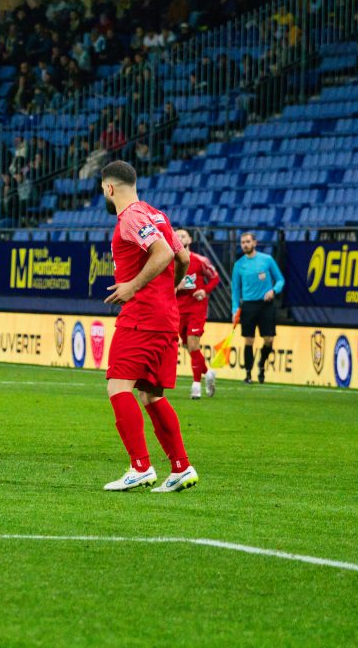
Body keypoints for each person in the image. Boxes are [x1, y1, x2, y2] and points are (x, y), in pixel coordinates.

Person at [99, 160, 198, 492]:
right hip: (166, 316)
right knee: (151, 393)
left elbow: (163, 254)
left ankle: (140, 466)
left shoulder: (130, 219)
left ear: (109, 188)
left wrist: (135, 286)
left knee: (118, 386)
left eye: (103, 189)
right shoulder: (159, 215)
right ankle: (181, 467)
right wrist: (167, 293)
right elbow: (182, 258)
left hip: (142, 316)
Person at [231, 231, 284, 384]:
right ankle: (248, 374)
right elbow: (235, 290)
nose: (245, 245)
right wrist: (235, 310)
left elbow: (280, 280)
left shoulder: (267, 260)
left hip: (265, 305)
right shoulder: (239, 265)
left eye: (248, 241)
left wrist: (274, 291)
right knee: (249, 340)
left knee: (269, 339)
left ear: (255, 243)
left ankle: (261, 363)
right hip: (248, 306)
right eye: (242, 242)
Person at [174, 228, 220, 399]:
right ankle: (208, 373)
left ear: (190, 240)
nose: (179, 238)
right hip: (178, 309)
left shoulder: (200, 260)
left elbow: (215, 277)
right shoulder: (170, 262)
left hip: (196, 307)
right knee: (188, 346)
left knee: (193, 345)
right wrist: (177, 287)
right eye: (176, 236)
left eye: (183, 235)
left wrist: (204, 290)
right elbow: (165, 287)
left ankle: (196, 386)